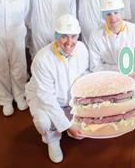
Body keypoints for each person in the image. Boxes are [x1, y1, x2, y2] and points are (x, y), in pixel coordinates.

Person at [88, 0, 135, 134]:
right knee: (116, 109)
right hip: (112, 79)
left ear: (122, 12)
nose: (113, 17)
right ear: (103, 16)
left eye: (116, 12)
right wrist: (121, 70)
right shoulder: (95, 36)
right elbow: (95, 67)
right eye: (108, 14)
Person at [25, 14, 89, 163]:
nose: (69, 42)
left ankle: (67, 121)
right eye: (64, 37)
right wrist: (67, 125)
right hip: (44, 99)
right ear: (56, 36)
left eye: (73, 37)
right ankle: (52, 138)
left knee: (80, 132)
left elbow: (84, 73)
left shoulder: (82, 49)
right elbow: (47, 98)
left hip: (70, 98)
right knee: (43, 121)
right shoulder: (42, 60)